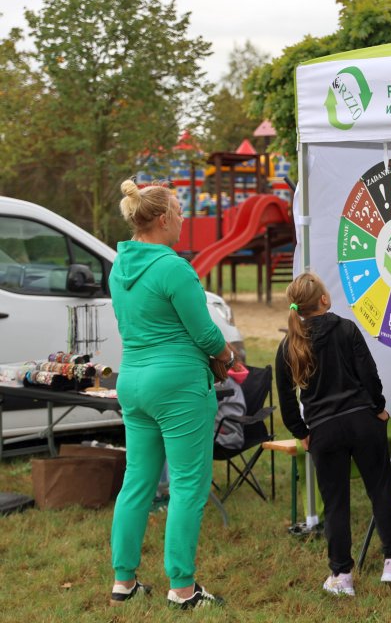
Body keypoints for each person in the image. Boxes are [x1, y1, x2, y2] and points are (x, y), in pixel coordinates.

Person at [109, 179, 234, 609]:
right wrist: (227, 353)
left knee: (136, 482)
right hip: (178, 387)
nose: (183, 219)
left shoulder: (119, 266)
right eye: (180, 212)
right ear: (162, 219)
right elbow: (205, 333)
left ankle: (124, 581)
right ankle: (182, 588)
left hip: (133, 381)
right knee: (187, 485)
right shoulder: (173, 268)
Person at [275, 272, 391, 597]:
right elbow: (369, 374)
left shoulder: (288, 345)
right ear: (324, 300)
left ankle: (341, 576)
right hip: (362, 422)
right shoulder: (346, 329)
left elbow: (286, 399)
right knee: (380, 490)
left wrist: (301, 432)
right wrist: (378, 407)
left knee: (335, 502)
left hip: (323, 432)